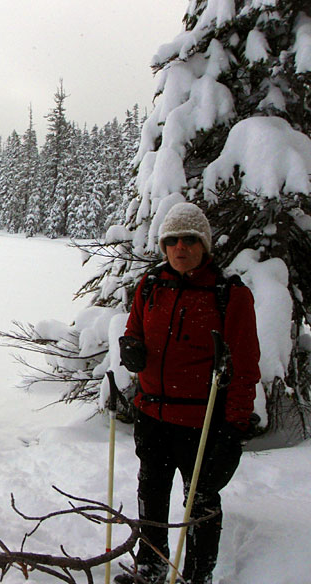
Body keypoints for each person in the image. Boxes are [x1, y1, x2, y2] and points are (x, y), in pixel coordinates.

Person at [114, 202, 260, 584]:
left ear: (204, 246)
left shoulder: (229, 294)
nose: (180, 248)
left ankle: (196, 576)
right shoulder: (150, 285)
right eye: (172, 240)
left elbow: (245, 367)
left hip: (202, 422)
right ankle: (151, 566)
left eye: (190, 240)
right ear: (163, 246)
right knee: (152, 493)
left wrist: (235, 428)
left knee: (201, 504)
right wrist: (131, 347)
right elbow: (134, 330)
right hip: (153, 416)